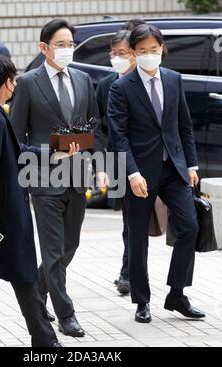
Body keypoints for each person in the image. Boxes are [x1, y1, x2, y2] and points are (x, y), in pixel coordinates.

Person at [0, 54, 80, 347]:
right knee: (23, 275)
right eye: (12, 79)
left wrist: (55, 152)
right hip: (2, 217)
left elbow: (16, 150)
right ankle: (43, 339)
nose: (15, 84)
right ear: (5, 82)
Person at [10, 19, 108, 338]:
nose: (66, 50)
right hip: (43, 178)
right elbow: (15, 139)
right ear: (44, 48)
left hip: (78, 175)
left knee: (70, 245)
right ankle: (66, 315)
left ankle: (35, 296)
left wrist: (99, 161)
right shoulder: (27, 82)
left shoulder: (82, 79)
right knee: (52, 251)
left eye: (70, 45)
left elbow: (94, 128)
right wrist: (51, 152)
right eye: (60, 45)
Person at [108, 24, 206, 323]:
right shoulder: (121, 87)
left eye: (154, 49)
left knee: (189, 226)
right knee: (138, 239)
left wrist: (191, 164)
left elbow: (183, 126)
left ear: (162, 48)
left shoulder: (174, 80)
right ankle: (141, 300)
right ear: (134, 54)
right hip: (140, 174)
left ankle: (177, 294)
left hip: (173, 168)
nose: (150, 55)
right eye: (143, 51)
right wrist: (132, 173)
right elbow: (118, 136)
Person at [96, 30, 136, 295]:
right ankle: (128, 271)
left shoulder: (147, 82)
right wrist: (101, 166)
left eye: (122, 53)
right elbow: (98, 128)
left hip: (146, 160)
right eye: (113, 53)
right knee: (129, 220)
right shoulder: (105, 85)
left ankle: (129, 272)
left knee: (137, 221)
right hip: (117, 161)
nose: (116, 58)